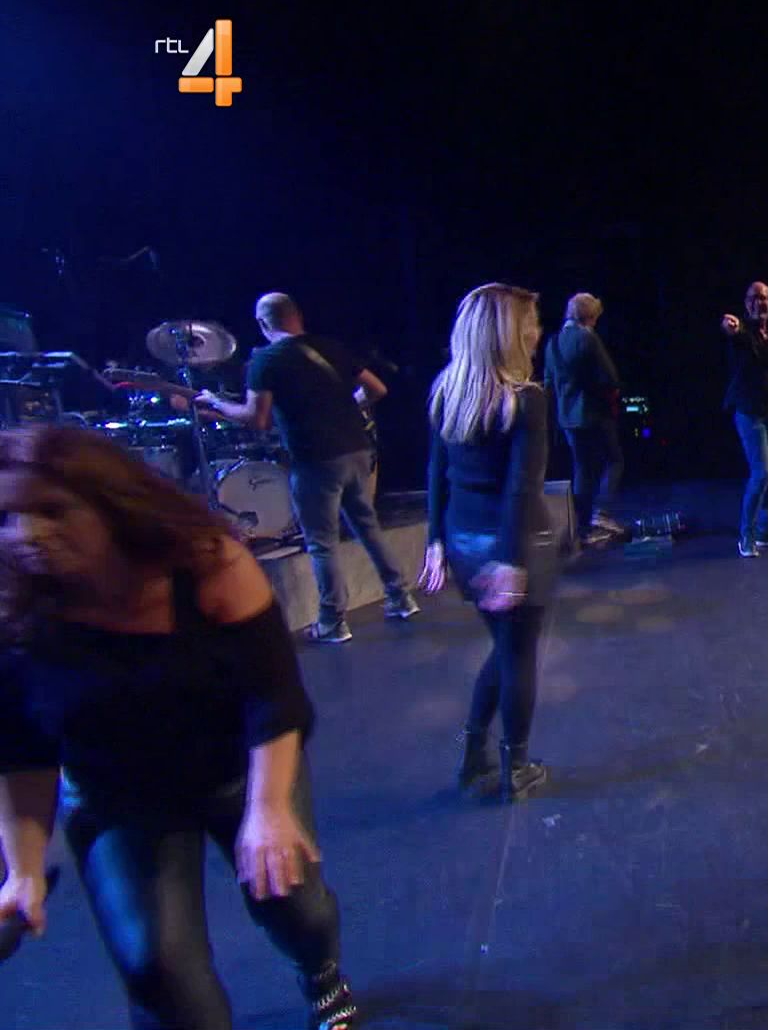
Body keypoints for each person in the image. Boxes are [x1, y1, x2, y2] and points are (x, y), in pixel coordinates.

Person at [0, 425, 357, 1030]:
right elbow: (21, 752)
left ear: (110, 504)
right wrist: (23, 871)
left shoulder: (205, 563)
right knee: (154, 965)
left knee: (297, 908)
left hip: (237, 770)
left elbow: (273, 697)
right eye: (8, 518)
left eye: (52, 511)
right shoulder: (16, 610)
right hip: (118, 798)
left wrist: (269, 809)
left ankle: (320, 971)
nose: (26, 535)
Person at [199, 292, 419, 643]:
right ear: (297, 315)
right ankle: (401, 598)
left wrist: (216, 403)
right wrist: (350, 407)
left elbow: (257, 418)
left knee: (322, 542)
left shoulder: (266, 360)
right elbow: (377, 388)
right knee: (368, 527)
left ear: (262, 323)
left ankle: (332, 622)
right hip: (357, 449)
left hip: (316, 459)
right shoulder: (331, 347)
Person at [419, 283, 557, 804]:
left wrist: (435, 540)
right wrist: (511, 561)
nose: (537, 332)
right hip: (514, 543)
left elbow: (436, 472)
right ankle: (515, 769)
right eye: (530, 322)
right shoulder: (527, 399)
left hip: (463, 541)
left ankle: (472, 753)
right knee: (518, 655)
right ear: (509, 332)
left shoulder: (446, 389)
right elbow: (522, 487)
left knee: (504, 649)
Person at [721, 281, 768, 558]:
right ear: (747, 303)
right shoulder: (743, 330)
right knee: (761, 473)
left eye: (764, 298)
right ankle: (747, 535)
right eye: (754, 298)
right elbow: (735, 333)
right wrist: (732, 327)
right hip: (749, 410)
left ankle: (766, 531)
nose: (759, 302)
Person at [543, 292, 625, 546]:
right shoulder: (587, 338)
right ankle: (602, 513)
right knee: (614, 460)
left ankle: (583, 527)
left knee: (583, 469)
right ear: (590, 316)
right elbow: (610, 376)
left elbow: (548, 384)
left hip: (567, 418)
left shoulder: (553, 342)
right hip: (593, 412)